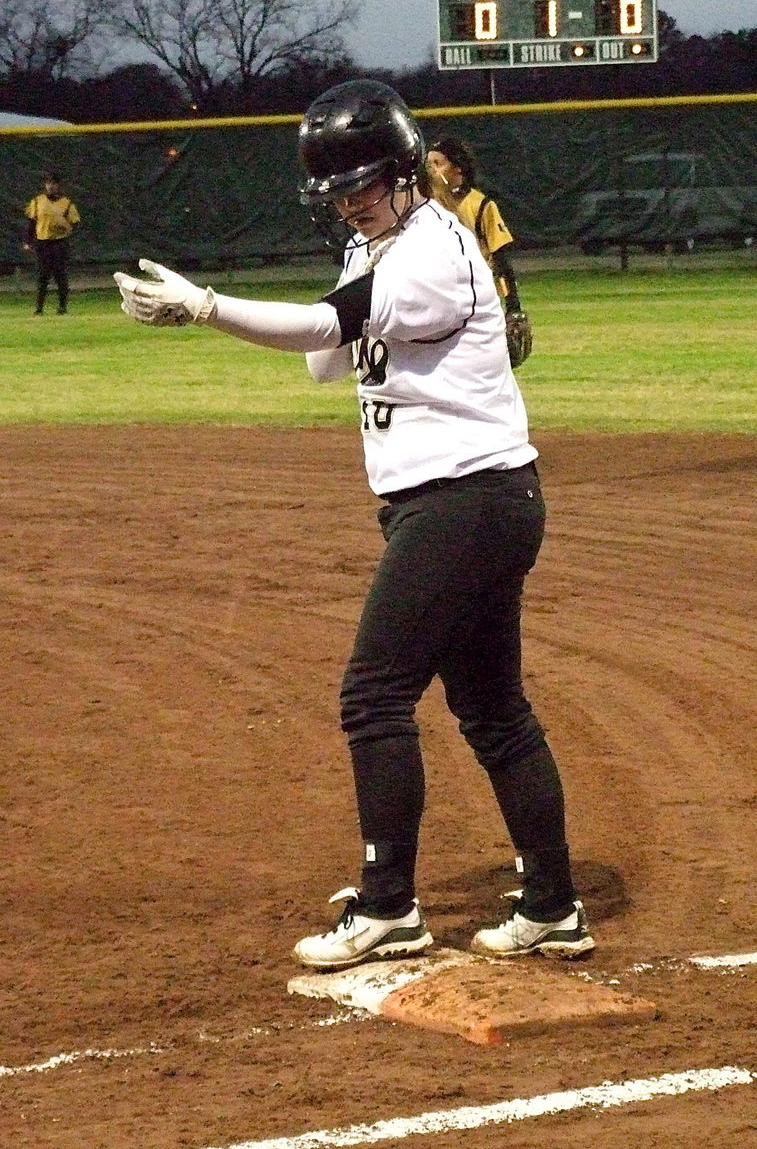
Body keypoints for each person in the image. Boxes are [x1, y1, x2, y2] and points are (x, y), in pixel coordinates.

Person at [113, 80, 594, 971]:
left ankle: (387, 907)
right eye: (334, 190)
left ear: (407, 171)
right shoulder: (382, 245)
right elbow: (325, 367)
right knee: (491, 709)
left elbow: (321, 330)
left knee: (372, 697)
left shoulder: (433, 251)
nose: (347, 200)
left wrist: (209, 307)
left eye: (363, 185)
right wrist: (344, 279)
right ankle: (553, 907)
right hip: (468, 501)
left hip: (464, 501)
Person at [426, 135, 532, 368]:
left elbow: (501, 261)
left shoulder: (480, 205)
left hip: (475, 298)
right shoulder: (424, 207)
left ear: (458, 168)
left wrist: (513, 305)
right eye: (429, 164)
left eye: (438, 163)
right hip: (437, 297)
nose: (432, 170)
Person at [23, 173, 81, 315]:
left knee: (60, 275)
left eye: (54, 183)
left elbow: (75, 222)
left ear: (59, 186)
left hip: (59, 243)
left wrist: (66, 228)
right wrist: (28, 241)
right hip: (43, 242)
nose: (51, 186)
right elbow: (31, 222)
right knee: (43, 276)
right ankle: (39, 308)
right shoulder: (37, 201)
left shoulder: (66, 203)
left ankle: (62, 307)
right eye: (48, 183)